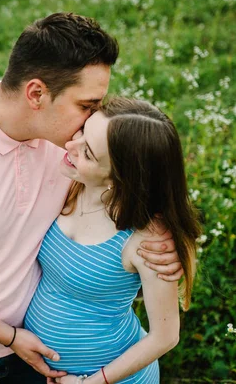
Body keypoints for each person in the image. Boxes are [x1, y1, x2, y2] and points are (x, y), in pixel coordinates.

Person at [0, 13, 184, 383]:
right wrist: (11, 338)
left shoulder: (71, 149)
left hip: (48, 357)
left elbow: (134, 173)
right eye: (86, 105)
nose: (91, 121)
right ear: (37, 94)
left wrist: (163, 235)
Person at [24, 98, 201, 384]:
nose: (70, 146)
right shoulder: (69, 184)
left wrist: (91, 382)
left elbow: (165, 337)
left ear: (120, 178)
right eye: (82, 130)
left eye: (89, 153)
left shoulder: (148, 241)